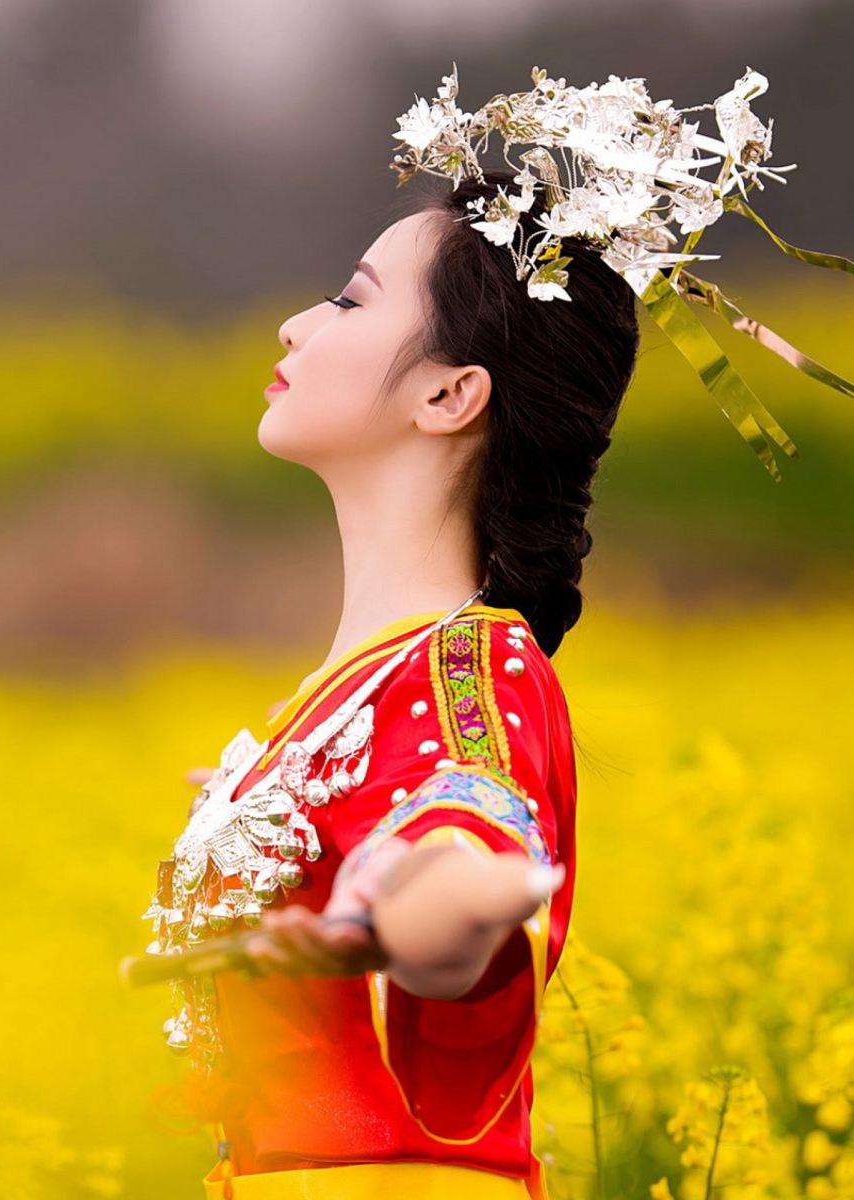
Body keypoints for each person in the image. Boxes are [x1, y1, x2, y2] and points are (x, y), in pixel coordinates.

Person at [142, 164, 635, 1200]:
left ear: (449, 393)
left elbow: (463, 838)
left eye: (350, 299)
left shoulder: (470, 663)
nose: (291, 325)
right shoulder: (348, 692)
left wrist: (431, 909)